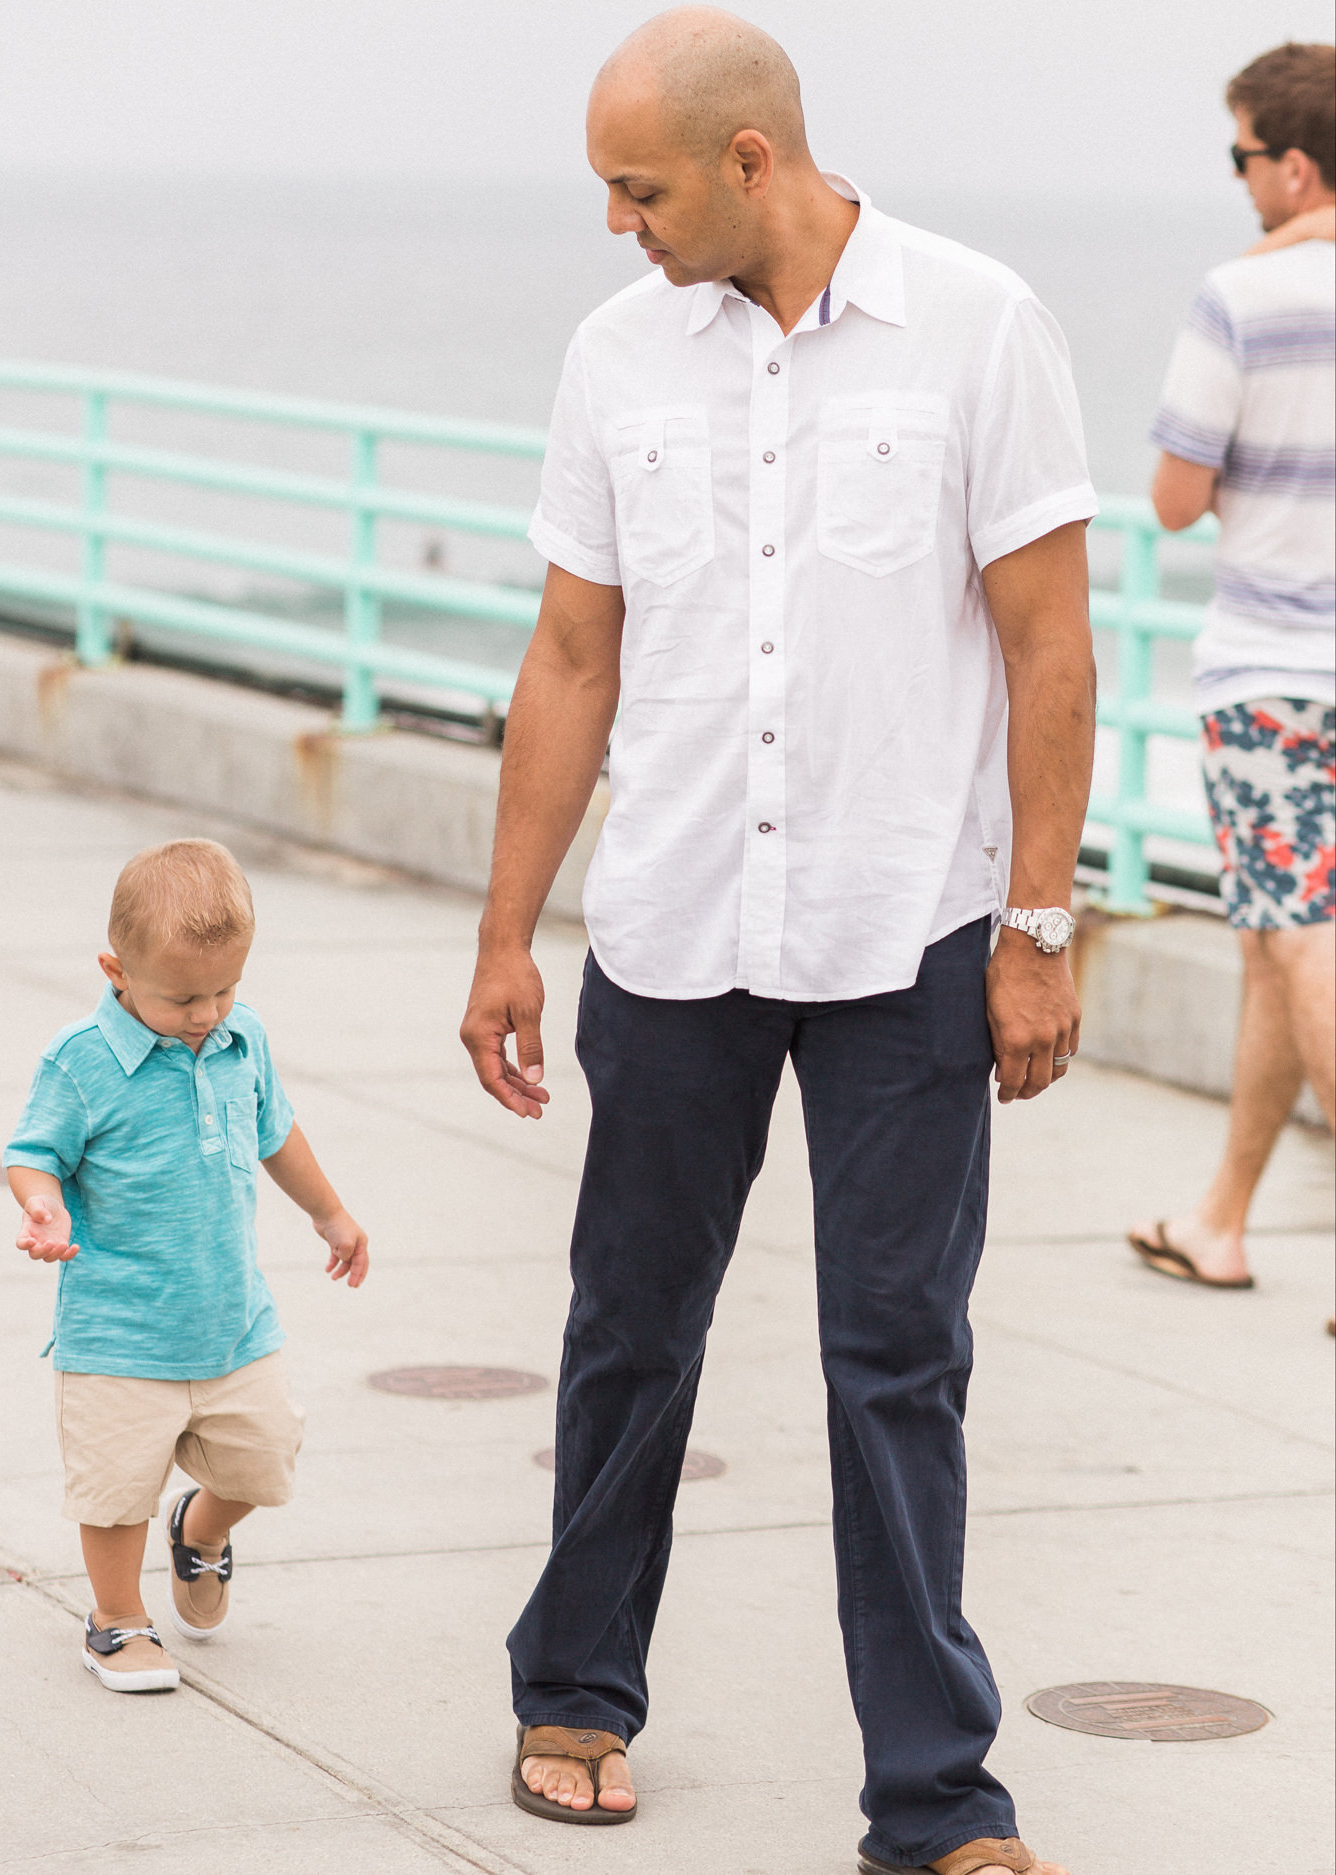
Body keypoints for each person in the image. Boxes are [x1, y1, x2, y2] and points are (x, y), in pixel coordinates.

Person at [460, 10, 1096, 1871]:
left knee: (897, 1354)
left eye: (636, 187)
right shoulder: (614, 356)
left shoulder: (980, 326)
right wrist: (506, 935)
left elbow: (1051, 645)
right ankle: (574, 1687)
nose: (614, 222)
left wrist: (1039, 928)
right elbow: (574, 655)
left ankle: (933, 1796)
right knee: (628, 1327)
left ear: (752, 162)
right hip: (669, 924)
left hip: (908, 929)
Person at [4, 839, 369, 1693]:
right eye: (182, 996)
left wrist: (330, 1211)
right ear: (116, 969)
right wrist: (43, 1203)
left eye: (224, 989)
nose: (207, 1012)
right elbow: (32, 1153)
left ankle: (198, 1530)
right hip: (119, 1328)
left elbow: (276, 1132)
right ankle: (116, 1620)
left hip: (233, 1317)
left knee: (267, 1455)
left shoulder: (244, 1038)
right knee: (115, 1491)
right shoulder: (80, 1060)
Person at [1129, 42, 1335, 1296]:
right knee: (1277, 942)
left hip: (1269, 676)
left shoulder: (1237, 298)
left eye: (1242, 157)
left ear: (1294, 164)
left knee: (1300, 938)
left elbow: (1168, 499)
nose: (1237, 180)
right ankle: (1220, 1219)